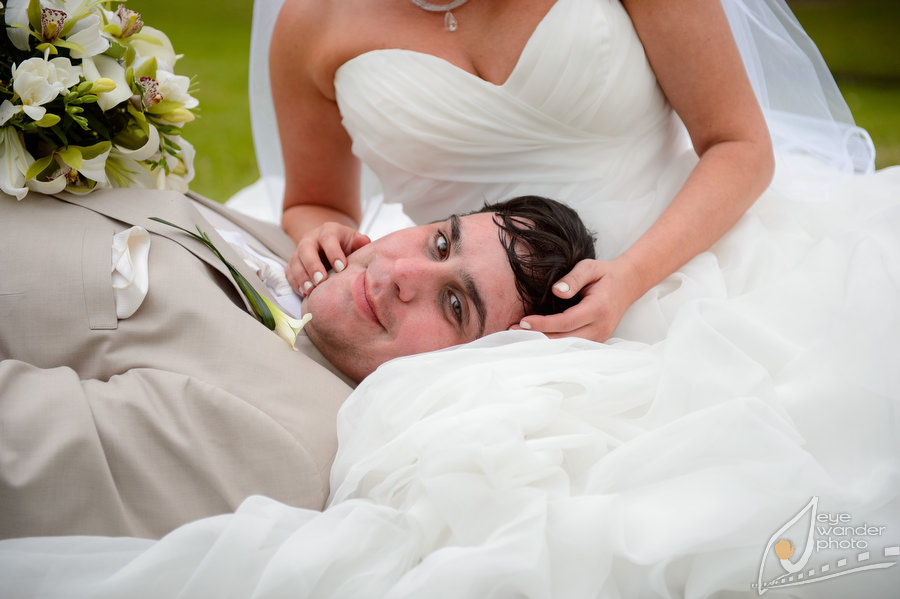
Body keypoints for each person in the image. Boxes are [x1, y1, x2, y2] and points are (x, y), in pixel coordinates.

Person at [0, 188, 596, 539]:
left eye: (455, 303)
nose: (400, 274)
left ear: (470, 368)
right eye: (440, 243)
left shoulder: (278, 440)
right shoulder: (290, 247)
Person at [255, 0, 814, 344]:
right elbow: (315, 203)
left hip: (690, 267)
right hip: (462, 321)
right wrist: (320, 237)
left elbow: (739, 143)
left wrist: (630, 278)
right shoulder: (312, 20)